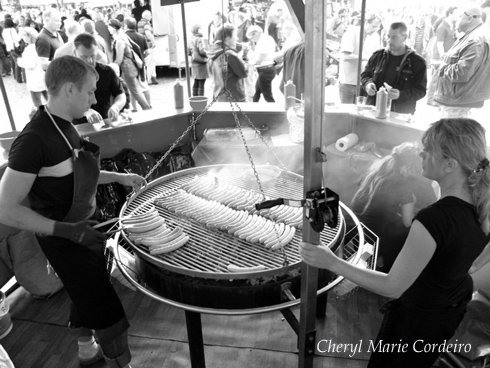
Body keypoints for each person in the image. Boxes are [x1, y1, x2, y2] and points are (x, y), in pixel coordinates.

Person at [300, 118, 490, 368]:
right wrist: (467, 269)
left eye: (429, 149)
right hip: (449, 311)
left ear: (449, 165)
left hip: (416, 321)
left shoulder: (434, 219)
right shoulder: (482, 203)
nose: (422, 153)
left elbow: (392, 287)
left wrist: (332, 262)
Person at [0, 55, 143, 368]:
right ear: (68, 90)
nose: (95, 98)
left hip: (83, 226)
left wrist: (120, 177)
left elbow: (77, 173)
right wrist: (69, 231)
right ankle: (121, 363)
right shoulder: (34, 139)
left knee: (84, 291)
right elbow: (4, 209)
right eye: (90, 91)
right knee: (104, 303)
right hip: (63, 237)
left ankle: (87, 350)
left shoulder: (65, 126)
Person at [350, 142, 436, 272]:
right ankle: (386, 264)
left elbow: (377, 203)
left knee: (391, 221)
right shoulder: (404, 186)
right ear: (408, 167)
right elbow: (408, 223)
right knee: (411, 232)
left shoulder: (377, 171)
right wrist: (412, 206)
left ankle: (375, 258)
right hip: (371, 238)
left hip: (353, 230)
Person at [433, 7, 490, 118]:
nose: (455, 19)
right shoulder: (475, 36)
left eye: (459, 16)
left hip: (458, 104)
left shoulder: (475, 39)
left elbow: (462, 73)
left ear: (469, 18)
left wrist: (441, 66)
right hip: (460, 100)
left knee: (451, 133)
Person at [361, 22, 427, 114]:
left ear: (405, 37)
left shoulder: (417, 62)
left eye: (394, 37)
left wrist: (400, 95)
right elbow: (365, 75)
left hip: (400, 114)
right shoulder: (377, 56)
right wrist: (368, 84)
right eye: (388, 36)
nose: (389, 40)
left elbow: (420, 91)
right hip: (373, 110)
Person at [73, 33, 126, 125]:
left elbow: (120, 94)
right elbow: (64, 103)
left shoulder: (107, 71)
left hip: (105, 121)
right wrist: (86, 111)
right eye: (84, 57)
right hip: (79, 124)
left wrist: (116, 107)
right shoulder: (67, 75)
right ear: (75, 53)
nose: (89, 61)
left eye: (92, 56)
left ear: (97, 51)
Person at [338, 13, 382, 104]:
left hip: (365, 82)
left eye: (377, 28)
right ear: (366, 22)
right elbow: (345, 56)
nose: (375, 30)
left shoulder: (375, 37)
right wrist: (365, 58)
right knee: (347, 111)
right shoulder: (351, 33)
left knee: (362, 111)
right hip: (348, 81)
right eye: (373, 26)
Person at [108, 18, 151, 111]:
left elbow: (119, 59)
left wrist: (111, 68)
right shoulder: (123, 36)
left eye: (109, 28)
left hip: (127, 68)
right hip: (130, 67)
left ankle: (147, 108)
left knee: (135, 92)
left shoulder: (119, 40)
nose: (109, 30)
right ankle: (147, 108)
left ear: (113, 28)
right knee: (136, 90)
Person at [207, 23, 248, 102]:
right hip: (234, 98)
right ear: (227, 38)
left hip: (219, 97)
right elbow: (244, 72)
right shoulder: (229, 54)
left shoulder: (213, 52)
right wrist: (245, 57)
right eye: (235, 35)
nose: (237, 38)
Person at [426, 7, 457, 106]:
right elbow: (439, 43)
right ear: (450, 14)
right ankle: (430, 99)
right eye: (456, 13)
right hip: (440, 57)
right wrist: (443, 56)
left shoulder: (450, 25)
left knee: (440, 78)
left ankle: (435, 99)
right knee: (436, 78)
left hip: (447, 56)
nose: (457, 16)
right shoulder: (442, 27)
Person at [246, 25, 276, 103]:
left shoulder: (263, 41)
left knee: (267, 96)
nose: (252, 40)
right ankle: (253, 108)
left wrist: (249, 63)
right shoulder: (267, 39)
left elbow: (259, 60)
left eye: (251, 37)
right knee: (257, 93)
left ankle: (274, 112)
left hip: (265, 70)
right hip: (267, 69)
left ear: (256, 33)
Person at [137, 10, 157, 85]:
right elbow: (147, 33)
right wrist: (153, 41)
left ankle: (150, 78)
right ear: (147, 16)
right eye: (150, 16)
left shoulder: (139, 22)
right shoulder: (146, 23)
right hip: (148, 45)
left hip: (143, 44)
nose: (151, 17)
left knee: (146, 62)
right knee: (150, 63)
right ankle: (148, 80)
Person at [189, 24, 208, 97]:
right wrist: (208, 55)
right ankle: (200, 98)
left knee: (196, 81)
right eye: (201, 28)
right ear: (198, 30)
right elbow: (202, 51)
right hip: (201, 64)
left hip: (194, 63)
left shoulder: (191, 39)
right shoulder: (200, 39)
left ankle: (194, 97)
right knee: (201, 82)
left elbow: (188, 51)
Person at [2, 18, 23, 83]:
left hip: (9, 48)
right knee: (18, 63)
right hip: (15, 47)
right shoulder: (12, 29)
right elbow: (17, 38)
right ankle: (18, 78)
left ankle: (15, 76)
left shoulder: (4, 31)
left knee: (13, 63)